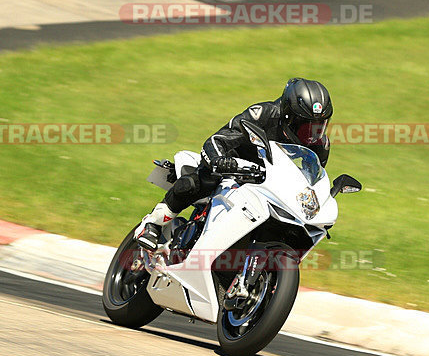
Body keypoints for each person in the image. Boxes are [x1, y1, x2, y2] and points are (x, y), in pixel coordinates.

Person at [134, 78, 333, 250]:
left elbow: (311, 181)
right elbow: (218, 139)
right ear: (289, 116)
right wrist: (220, 161)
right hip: (232, 166)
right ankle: (153, 223)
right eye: (306, 126)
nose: (312, 134)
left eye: (319, 126)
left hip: (271, 183)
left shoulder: (319, 144)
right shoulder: (263, 114)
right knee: (201, 181)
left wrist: (320, 209)